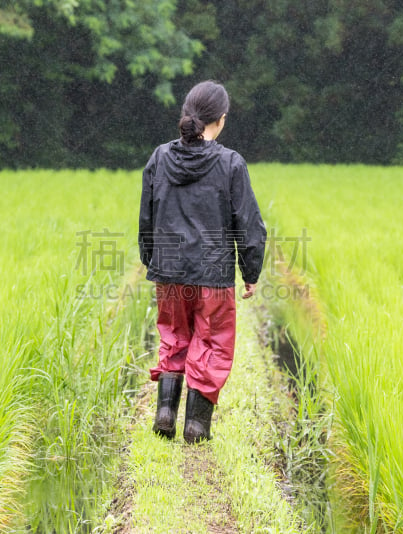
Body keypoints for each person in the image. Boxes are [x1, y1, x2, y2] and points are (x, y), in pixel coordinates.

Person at [138, 80, 267, 444]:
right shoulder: (230, 164)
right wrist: (251, 272)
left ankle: (165, 413)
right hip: (213, 275)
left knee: (173, 338)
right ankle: (196, 426)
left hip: (170, 271)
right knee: (212, 343)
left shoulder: (160, 157)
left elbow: (146, 215)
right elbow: (250, 224)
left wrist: (151, 258)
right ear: (221, 120)